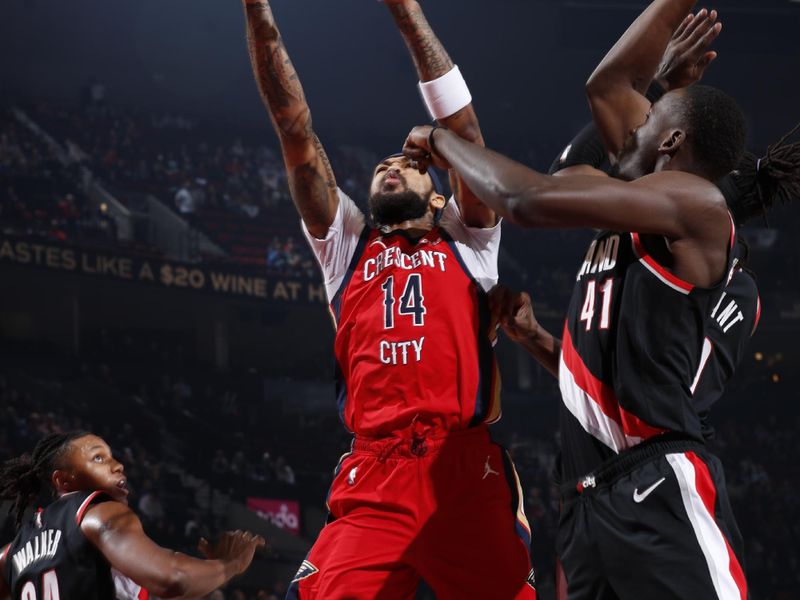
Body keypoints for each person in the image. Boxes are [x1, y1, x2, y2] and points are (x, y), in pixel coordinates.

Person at [401, 1, 797, 596]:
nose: (631, 128)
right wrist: (540, 341)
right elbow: (599, 108)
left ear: (673, 141)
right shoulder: (647, 215)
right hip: (586, 505)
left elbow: (530, 199)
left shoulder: (698, 205)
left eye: (647, 121)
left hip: (657, 486)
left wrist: (439, 139)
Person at [239, 0, 536, 598]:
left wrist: (405, 13)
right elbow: (294, 127)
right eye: (382, 166)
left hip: (460, 465)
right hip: (374, 472)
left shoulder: (469, 238)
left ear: (438, 198)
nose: (391, 165)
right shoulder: (345, 245)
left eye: (407, 164)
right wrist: (257, 11)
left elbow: (466, 134)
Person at [0, 432, 265, 599]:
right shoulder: (94, 513)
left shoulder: (9, 555)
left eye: (112, 456)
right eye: (99, 458)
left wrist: (206, 571)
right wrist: (231, 564)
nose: (118, 465)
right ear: (63, 480)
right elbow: (173, 579)